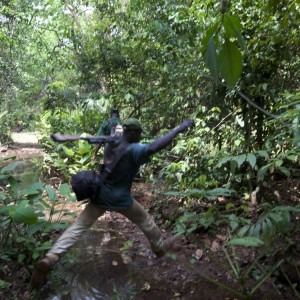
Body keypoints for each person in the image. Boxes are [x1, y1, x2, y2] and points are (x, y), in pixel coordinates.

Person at [30, 118, 195, 289]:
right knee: (146, 222)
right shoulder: (134, 150)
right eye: (138, 133)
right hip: (121, 199)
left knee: (77, 228)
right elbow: (154, 147)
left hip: (100, 196)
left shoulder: (111, 143)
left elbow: (115, 132)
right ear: (131, 133)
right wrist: (180, 128)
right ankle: (160, 248)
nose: (140, 136)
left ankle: (51, 258)